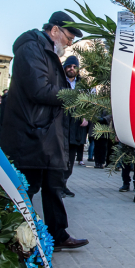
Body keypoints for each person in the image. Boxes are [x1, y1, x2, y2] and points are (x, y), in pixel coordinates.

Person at [0, 11, 89, 251]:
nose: (70, 43)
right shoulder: (31, 48)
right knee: (27, 187)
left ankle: (57, 234)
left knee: (53, 185)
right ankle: (17, 237)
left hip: (45, 134)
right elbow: (39, 90)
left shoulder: (47, 52)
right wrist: (73, 96)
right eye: (69, 37)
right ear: (55, 30)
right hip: (30, 135)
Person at [62, 55, 88, 197]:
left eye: (74, 67)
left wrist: (87, 116)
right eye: (69, 66)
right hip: (62, 125)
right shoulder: (60, 81)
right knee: (61, 157)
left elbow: (90, 103)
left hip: (76, 128)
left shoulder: (83, 85)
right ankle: (57, 185)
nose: (71, 69)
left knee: (70, 159)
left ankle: (64, 184)